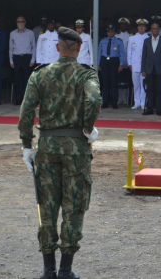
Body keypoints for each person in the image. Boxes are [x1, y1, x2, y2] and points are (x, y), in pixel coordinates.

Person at [18, 27, 101, 279]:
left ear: (57, 48)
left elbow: (26, 111)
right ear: (78, 49)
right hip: (76, 147)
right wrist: (88, 127)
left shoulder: (40, 74)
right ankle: (65, 270)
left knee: (47, 206)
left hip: (47, 147)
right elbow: (94, 100)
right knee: (73, 207)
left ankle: (48, 270)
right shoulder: (86, 74)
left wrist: (26, 144)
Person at [141, 22, 161, 116]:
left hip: (160, 69)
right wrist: (143, 69)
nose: (155, 30)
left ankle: (159, 109)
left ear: (159, 30)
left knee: (159, 90)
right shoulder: (146, 41)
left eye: (157, 29)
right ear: (151, 30)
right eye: (153, 28)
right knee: (149, 90)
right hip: (149, 68)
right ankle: (149, 109)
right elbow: (143, 56)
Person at [9, 16, 36, 105]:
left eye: (22, 22)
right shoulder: (12, 33)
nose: (20, 23)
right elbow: (11, 48)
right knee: (18, 79)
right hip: (16, 58)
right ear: (16, 23)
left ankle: (27, 100)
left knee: (27, 80)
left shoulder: (30, 33)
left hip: (26, 58)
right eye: (18, 22)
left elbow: (33, 47)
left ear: (25, 22)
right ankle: (18, 99)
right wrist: (11, 61)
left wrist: (33, 60)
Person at [98, 24, 125, 109]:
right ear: (107, 32)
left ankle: (114, 102)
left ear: (114, 32)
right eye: (109, 31)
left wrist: (121, 64)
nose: (110, 33)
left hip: (114, 61)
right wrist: (98, 63)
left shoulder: (118, 41)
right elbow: (99, 53)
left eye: (112, 31)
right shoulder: (102, 41)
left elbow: (122, 53)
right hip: (104, 61)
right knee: (105, 83)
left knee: (114, 83)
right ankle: (105, 102)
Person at [127, 19, 149, 109]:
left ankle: (143, 102)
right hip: (135, 64)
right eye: (140, 26)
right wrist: (130, 64)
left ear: (145, 28)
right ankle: (136, 102)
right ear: (137, 27)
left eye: (143, 26)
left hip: (145, 66)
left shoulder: (148, 37)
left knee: (144, 85)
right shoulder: (132, 38)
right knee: (136, 85)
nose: (141, 27)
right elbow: (129, 52)